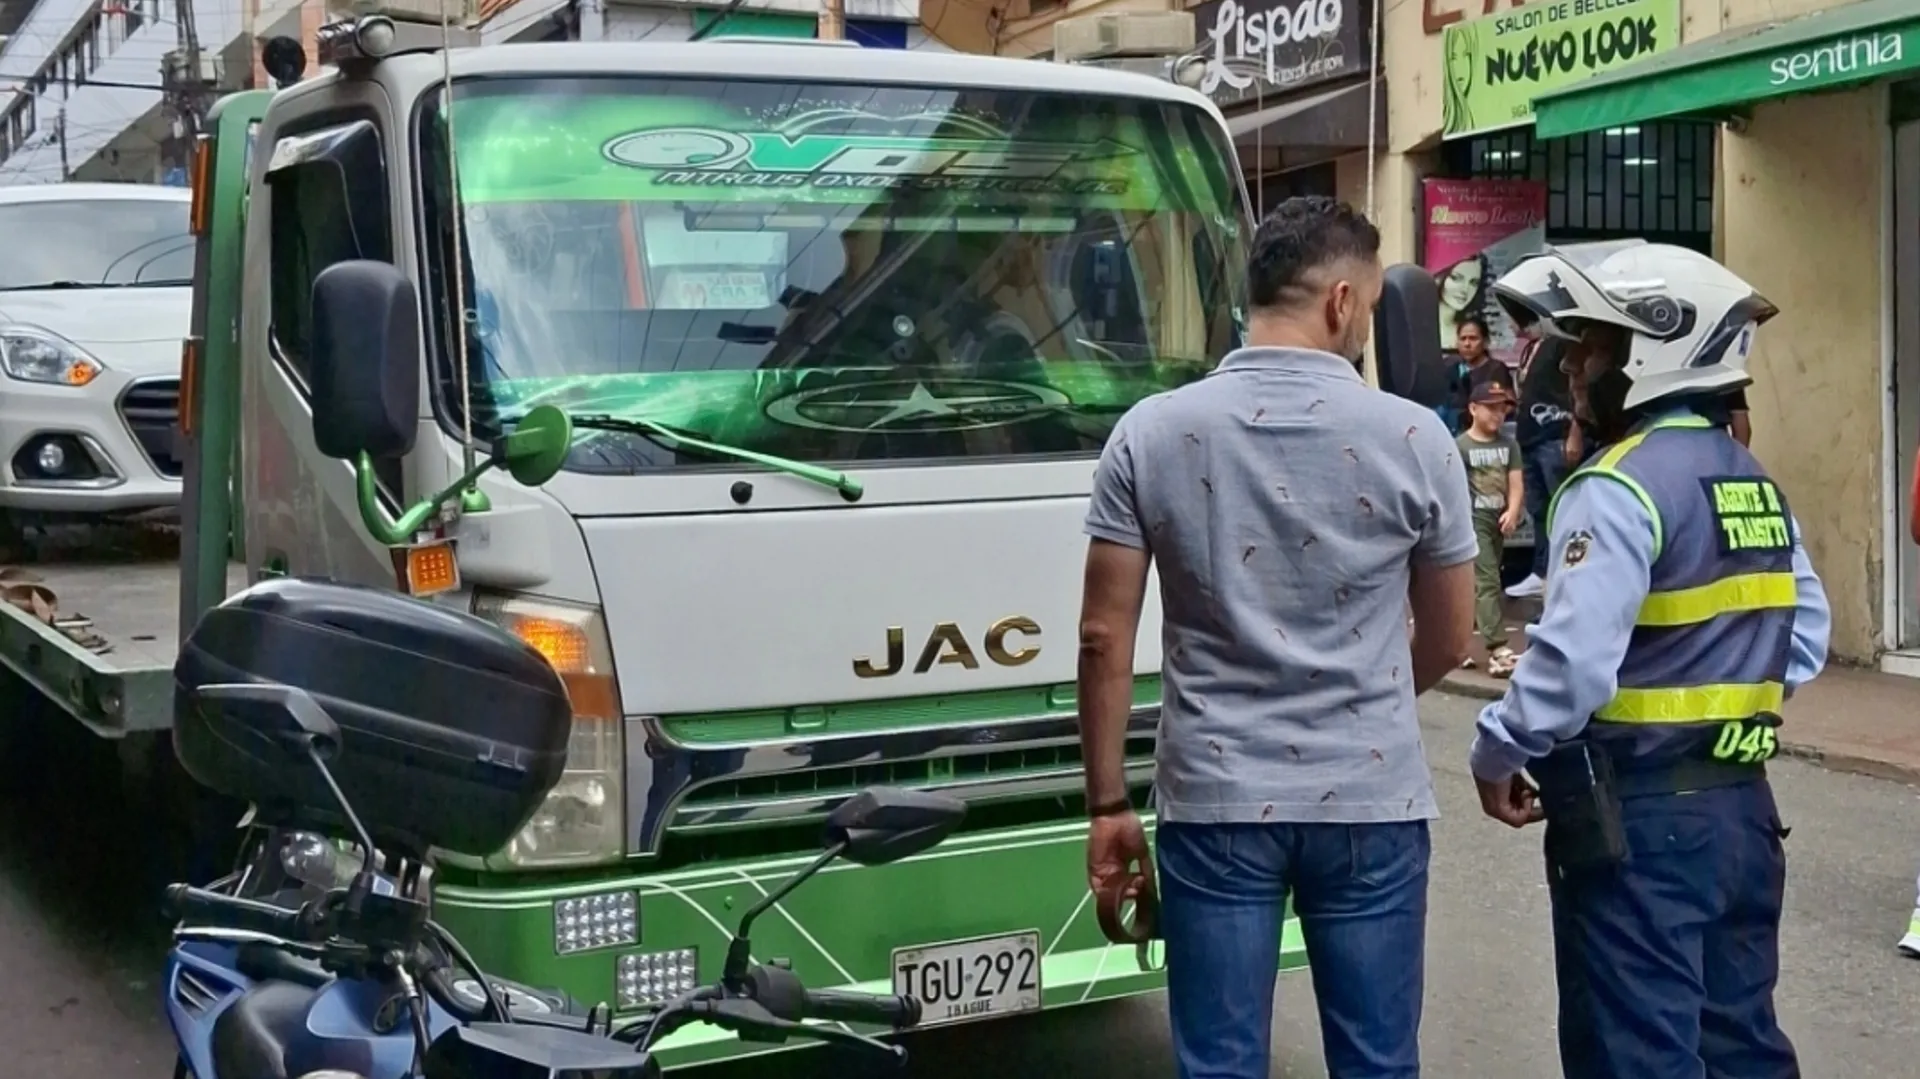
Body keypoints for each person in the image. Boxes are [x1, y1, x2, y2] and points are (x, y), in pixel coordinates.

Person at [1076, 196, 1475, 1079]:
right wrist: (1362, 694)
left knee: (1218, 1064)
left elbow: (1105, 637)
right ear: (1341, 303)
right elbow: (1452, 635)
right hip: (1371, 804)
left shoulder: (1150, 432)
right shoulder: (1417, 438)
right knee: (1377, 1062)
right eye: (1367, 307)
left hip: (1215, 801)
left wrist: (1108, 805)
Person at [1470, 239, 1830, 1079]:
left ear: (1654, 352)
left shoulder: (1617, 485)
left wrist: (1495, 748)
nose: (1574, 370)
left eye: (1594, 348)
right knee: (1742, 1050)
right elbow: (1803, 638)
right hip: (1743, 816)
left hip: (1642, 822)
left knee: (1637, 1057)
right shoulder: (1751, 481)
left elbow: (1568, 672)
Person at [1505, 318, 1580, 599]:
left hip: (1554, 435)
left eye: (1517, 318)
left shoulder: (1560, 344)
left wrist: (1575, 431)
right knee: (1538, 509)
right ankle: (1541, 570)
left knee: (1561, 507)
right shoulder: (1531, 348)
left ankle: (1564, 572)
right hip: (1529, 437)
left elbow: (1576, 387)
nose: (1512, 324)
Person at [1460, 380, 1524, 677]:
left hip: (1497, 519)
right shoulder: (1461, 446)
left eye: (1502, 409)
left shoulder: (1508, 445)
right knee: (1487, 581)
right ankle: (1497, 647)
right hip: (1474, 520)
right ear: (1473, 409)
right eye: (1491, 408)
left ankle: (1458, 644)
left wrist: (1512, 510)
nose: (1498, 415)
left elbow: (1515, 481)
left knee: (1480, 582)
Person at [1443, 314, 1516, 434]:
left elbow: (1509, 404)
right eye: (1463, 339)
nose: (1467, 344)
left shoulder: (1496, 369)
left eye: (1473, 338)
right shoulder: (1450, 365)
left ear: (1485, 341)